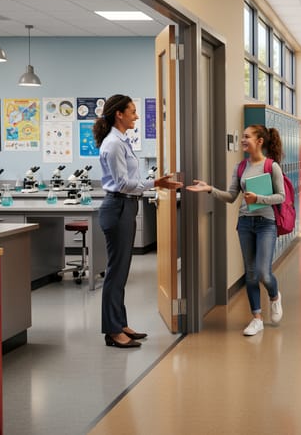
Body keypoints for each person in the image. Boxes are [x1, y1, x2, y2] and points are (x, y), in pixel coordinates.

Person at [94, 94, 181, 349]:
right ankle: (112, 331)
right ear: (119, 114)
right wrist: (156, 182)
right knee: (115, 272)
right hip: (118, 206)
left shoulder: (121, 141)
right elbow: (122, 183)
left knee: (121, 272)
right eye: (132, 111)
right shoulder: (113, 144)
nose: (137, 115)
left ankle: (120, 323)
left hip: (125, 206)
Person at [186, 125, 286, 336]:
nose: (242, 139)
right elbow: (231, 196)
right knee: (250, 274)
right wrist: (209, 189)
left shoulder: (271, 166)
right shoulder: (240, 167)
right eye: (242, 136)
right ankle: (256, 317)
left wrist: (258, 199)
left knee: (263, 273)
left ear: (259, 141)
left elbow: (281, 197)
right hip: (245, 224)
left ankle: (275, 296)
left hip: (266, 223)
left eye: (247, 136)